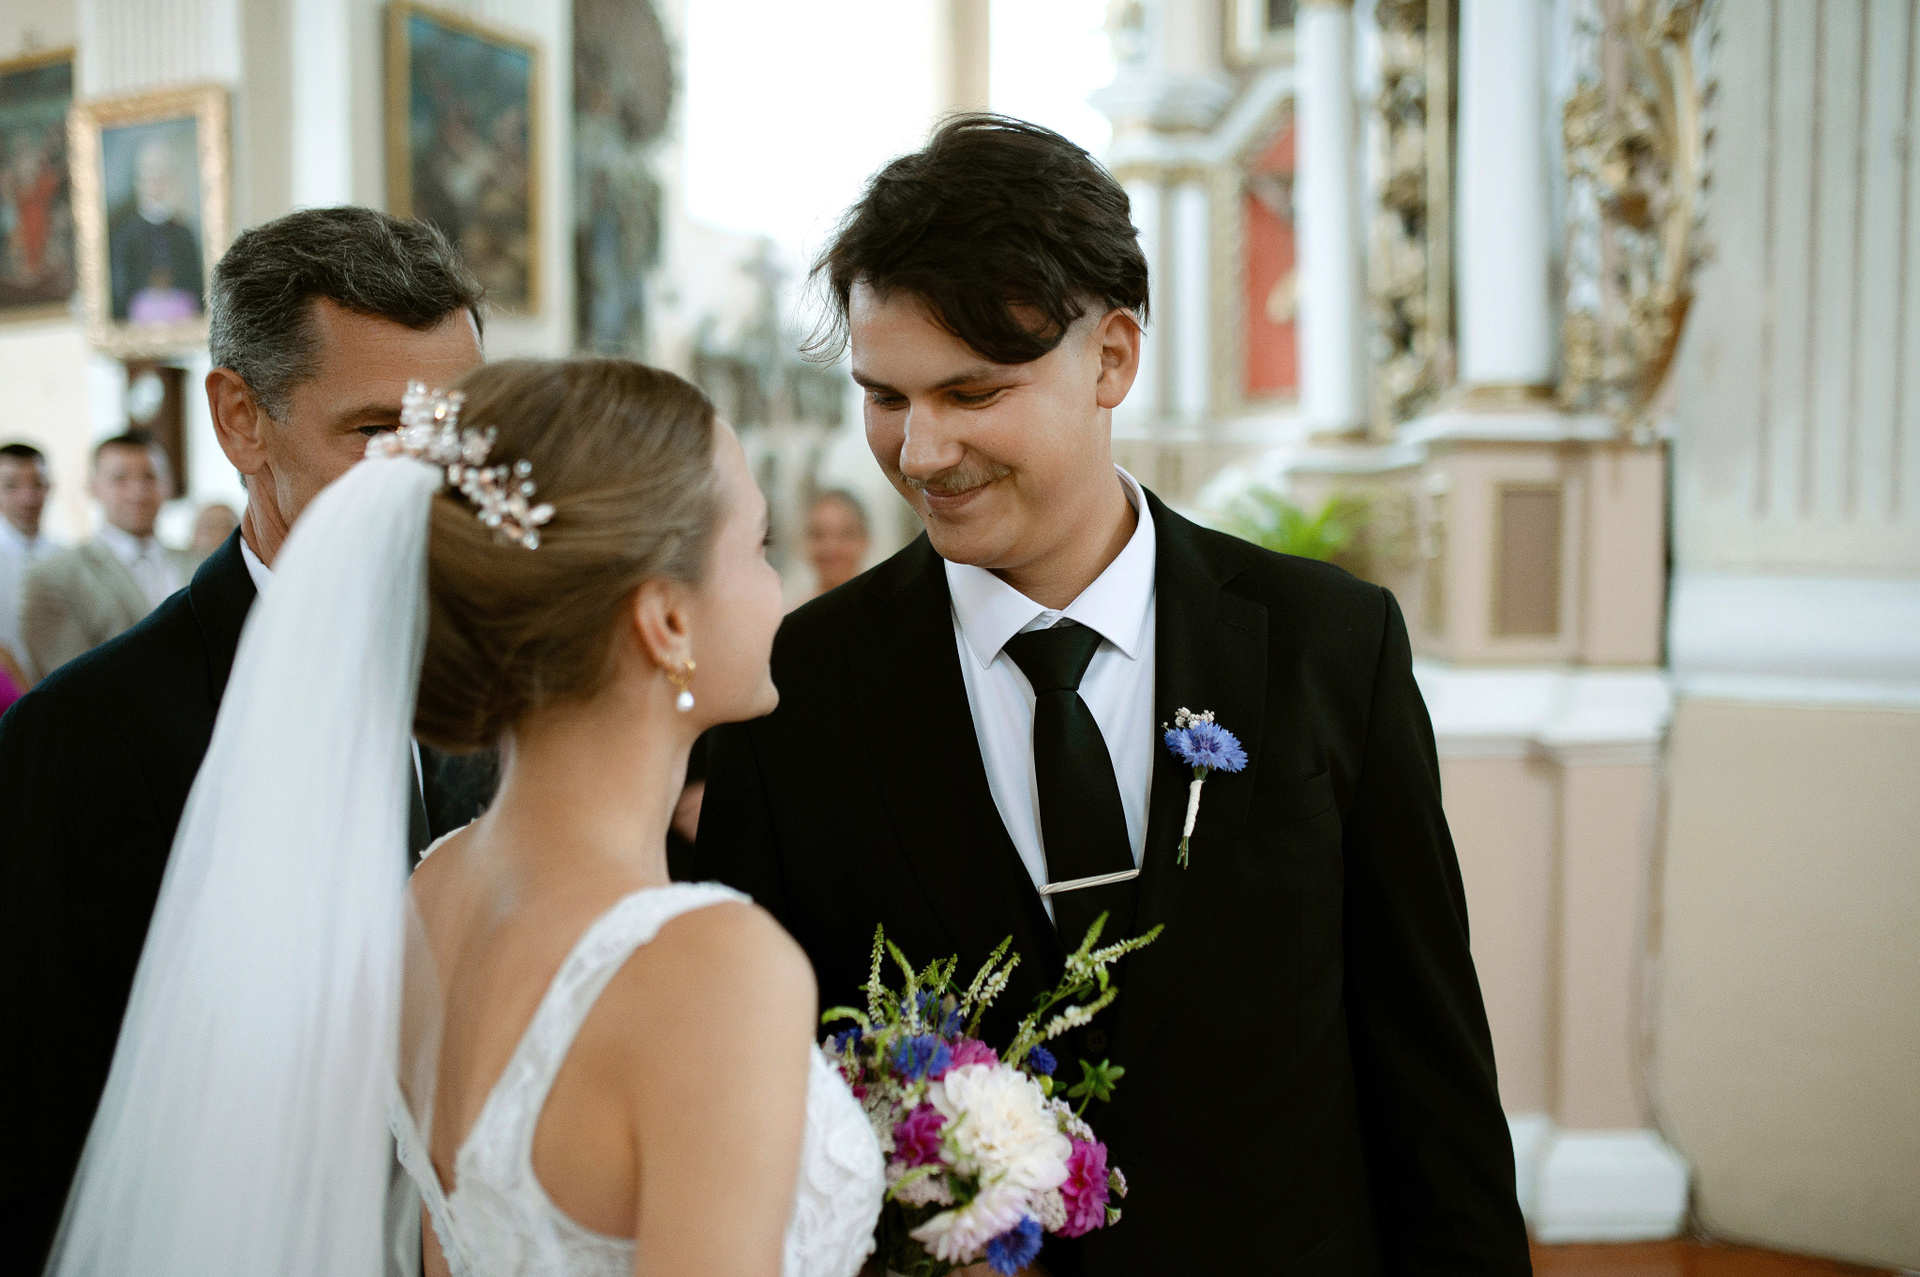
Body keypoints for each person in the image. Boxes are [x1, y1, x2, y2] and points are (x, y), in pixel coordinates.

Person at [697, 115, 1532, 1275]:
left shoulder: (1331, 646)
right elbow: (758, 1100)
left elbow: (1430, 1074)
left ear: (1113, 359)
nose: (920, 451)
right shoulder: (796, 693)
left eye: (971, 392)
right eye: (884, 396)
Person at [46, 359, 885, 1277]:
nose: (778, 585)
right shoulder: (717, 970)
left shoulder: (434, 892)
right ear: (666, 622)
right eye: (759, 547)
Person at [0, 207, 498, 1271]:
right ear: (241, 419)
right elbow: (38, 1132)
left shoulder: (506, 692)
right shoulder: (89, 737)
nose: (431, 476)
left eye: (456, 427)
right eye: (376, 429)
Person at [18, 432, 197, 680]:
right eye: (120, 479)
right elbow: (70, 679)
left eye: (149, 476)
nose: (138, 491)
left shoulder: (201, 564)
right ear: (93, 487)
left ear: (168, 485)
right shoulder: (54, 576)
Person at [107, 137, 203, 322]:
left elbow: (195, 285)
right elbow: (120, 288)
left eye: (161, 177)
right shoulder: (125, 233)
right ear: (139, 182)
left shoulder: (183, 233)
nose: (156, 185)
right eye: (150, 177)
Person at [0, 440, 55, 674]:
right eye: (11, 486)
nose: (27, 498)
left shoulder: (67, 559)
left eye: (37, 484)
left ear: (49, 487)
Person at [802, 488, 870, 599]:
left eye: (844, 535)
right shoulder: (791, 609)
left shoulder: (888, 607)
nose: (830, 547)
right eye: (819, 535)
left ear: (864, 540)